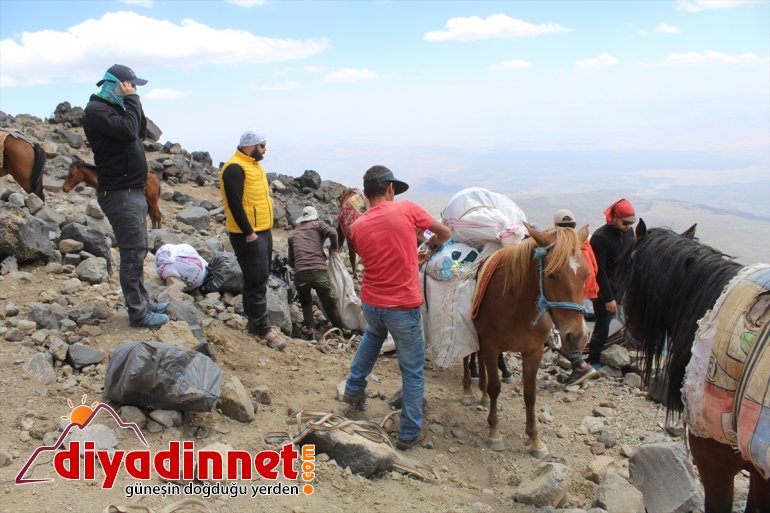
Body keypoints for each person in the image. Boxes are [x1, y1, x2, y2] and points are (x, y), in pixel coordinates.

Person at [341, 165, 451, 451]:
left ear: (366, 193)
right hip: (402, 305)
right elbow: (445, 233)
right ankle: (409, 431)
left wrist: (411, 253)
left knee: (372, 338)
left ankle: (353, 391)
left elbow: (382, 256)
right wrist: (431, 243)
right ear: (389, 189)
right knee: (413, 369)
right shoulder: (406, 209)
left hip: (372, 303)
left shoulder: (357, 226)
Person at [82, 64, 168, 329]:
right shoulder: (97, 111)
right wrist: (132, 100)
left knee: (138, 249)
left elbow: (140, 130)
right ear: (115, 85)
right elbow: (130, 131)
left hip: (132, 190)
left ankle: (142, 301)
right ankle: (138, 314)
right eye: (129, 86)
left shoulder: (115, 109)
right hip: (119, 193)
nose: (133, 91)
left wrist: (132, 102)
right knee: (132, 253)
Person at [220, 129, 286, 350]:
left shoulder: (253, 165)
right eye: (262, 146)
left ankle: (254, 323)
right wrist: (248, 232)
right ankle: (262, 327)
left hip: (261, 229)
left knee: (260, 275)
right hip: (248, 233)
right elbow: (235, 204)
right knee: (256, 277)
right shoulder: (234, 168)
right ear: (250, 147)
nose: (265, 149)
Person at [585, 199, 635, 369]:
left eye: (631, 222)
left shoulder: (629, 233)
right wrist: (608, 298)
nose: (628, 225)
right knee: (602, 325)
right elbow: (599, 271)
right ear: (614, 217)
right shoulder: (600, 238)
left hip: (622, 286)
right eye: (625, 222)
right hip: (604, 291)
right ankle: (593, 360)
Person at [552, 209, 600, 385]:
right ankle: (580, 365)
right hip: (585, 294)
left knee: (560, 330)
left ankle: (580, 365)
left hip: (572, 296)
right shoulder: (584, 244)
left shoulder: (564, 248)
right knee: (577, 328)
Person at [288, 205, 344, 339]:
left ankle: (311, 330)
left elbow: (291, 261)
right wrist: (334, 248)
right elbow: (333, 233)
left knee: (305, 301)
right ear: (316, 217)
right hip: (319, 270)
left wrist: (300, 267)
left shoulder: (293, 234)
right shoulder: (318, 224)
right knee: (328, 301)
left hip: (300, 274)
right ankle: (338, 329)